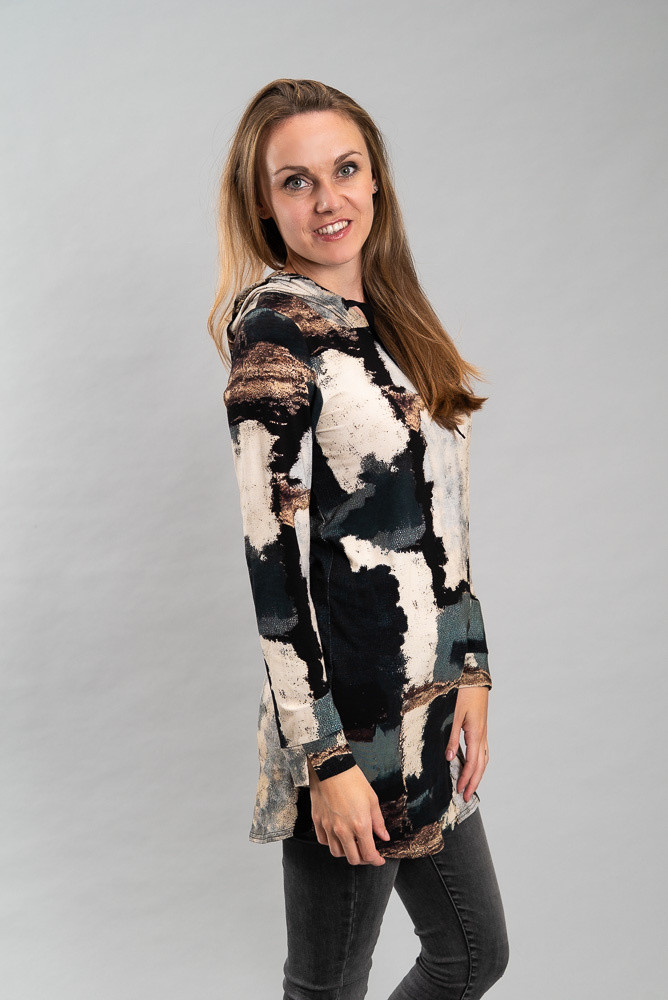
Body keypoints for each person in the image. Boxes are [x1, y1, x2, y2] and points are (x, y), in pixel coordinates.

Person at [208, 78, 510, 1000]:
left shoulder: (388, 322)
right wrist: (326, 760)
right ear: (264, 204)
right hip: (349, 725)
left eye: (345, 170)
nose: (328, 199)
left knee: (472, 955)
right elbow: (272, 569)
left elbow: (444, 514)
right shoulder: (275, 333)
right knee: (328, 989)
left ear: (376, 179)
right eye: (295, 181)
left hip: (427, 705)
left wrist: (472, 668)